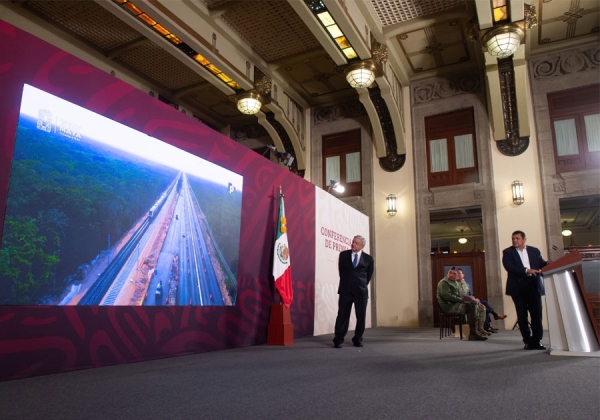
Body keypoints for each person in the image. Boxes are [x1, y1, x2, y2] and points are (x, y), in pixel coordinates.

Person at [502, 230, 548, 350]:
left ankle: (537, 340)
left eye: (517, 238)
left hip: (533, 285)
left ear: (524, 239)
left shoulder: (534, 250)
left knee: (537, 315)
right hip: (518, 287)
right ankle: (527, 340)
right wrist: (526, 270)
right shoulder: (508, 252)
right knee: (522, 315)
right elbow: (509, 267)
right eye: (513, 238)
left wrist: (550, 265)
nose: (514, 240)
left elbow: (541, 263)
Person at [333, 235, 374, 348]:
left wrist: (360, 285)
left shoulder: (368, 259)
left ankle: (357, 339)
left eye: (356, 243)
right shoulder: (343, 255)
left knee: (360, 317)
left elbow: (368, 275)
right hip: (345, 290)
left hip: (361, 292)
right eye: (353, 242)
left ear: (362, 246)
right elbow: (342, 272)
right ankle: (338, 339)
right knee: (342, 316)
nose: (353, 244)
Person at [436, 267, 487, 341]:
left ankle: (477, 330)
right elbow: (447, 296)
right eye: (450, 272)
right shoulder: (444, 282)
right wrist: (463, 300)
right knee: (471, 306)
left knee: (476, 305)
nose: (451, 275)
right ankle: (473, 333)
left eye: (454, 273)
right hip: (449, 307)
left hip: (456, 305)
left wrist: (471, 299)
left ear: (457, 276)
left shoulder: (456, 283)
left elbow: (462, 295)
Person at [456, 268, 507, 334]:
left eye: (460, 273)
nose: (458, 275)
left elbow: (470, 294)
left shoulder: (466, 284)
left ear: (463, 275)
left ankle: (488, 325)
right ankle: (491, 320)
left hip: (470, 301)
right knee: (484, 306)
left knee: (483, 303)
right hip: (463, 303)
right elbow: (461, 296)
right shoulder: (456, 284)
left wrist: (475, 299)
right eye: (457, 274)